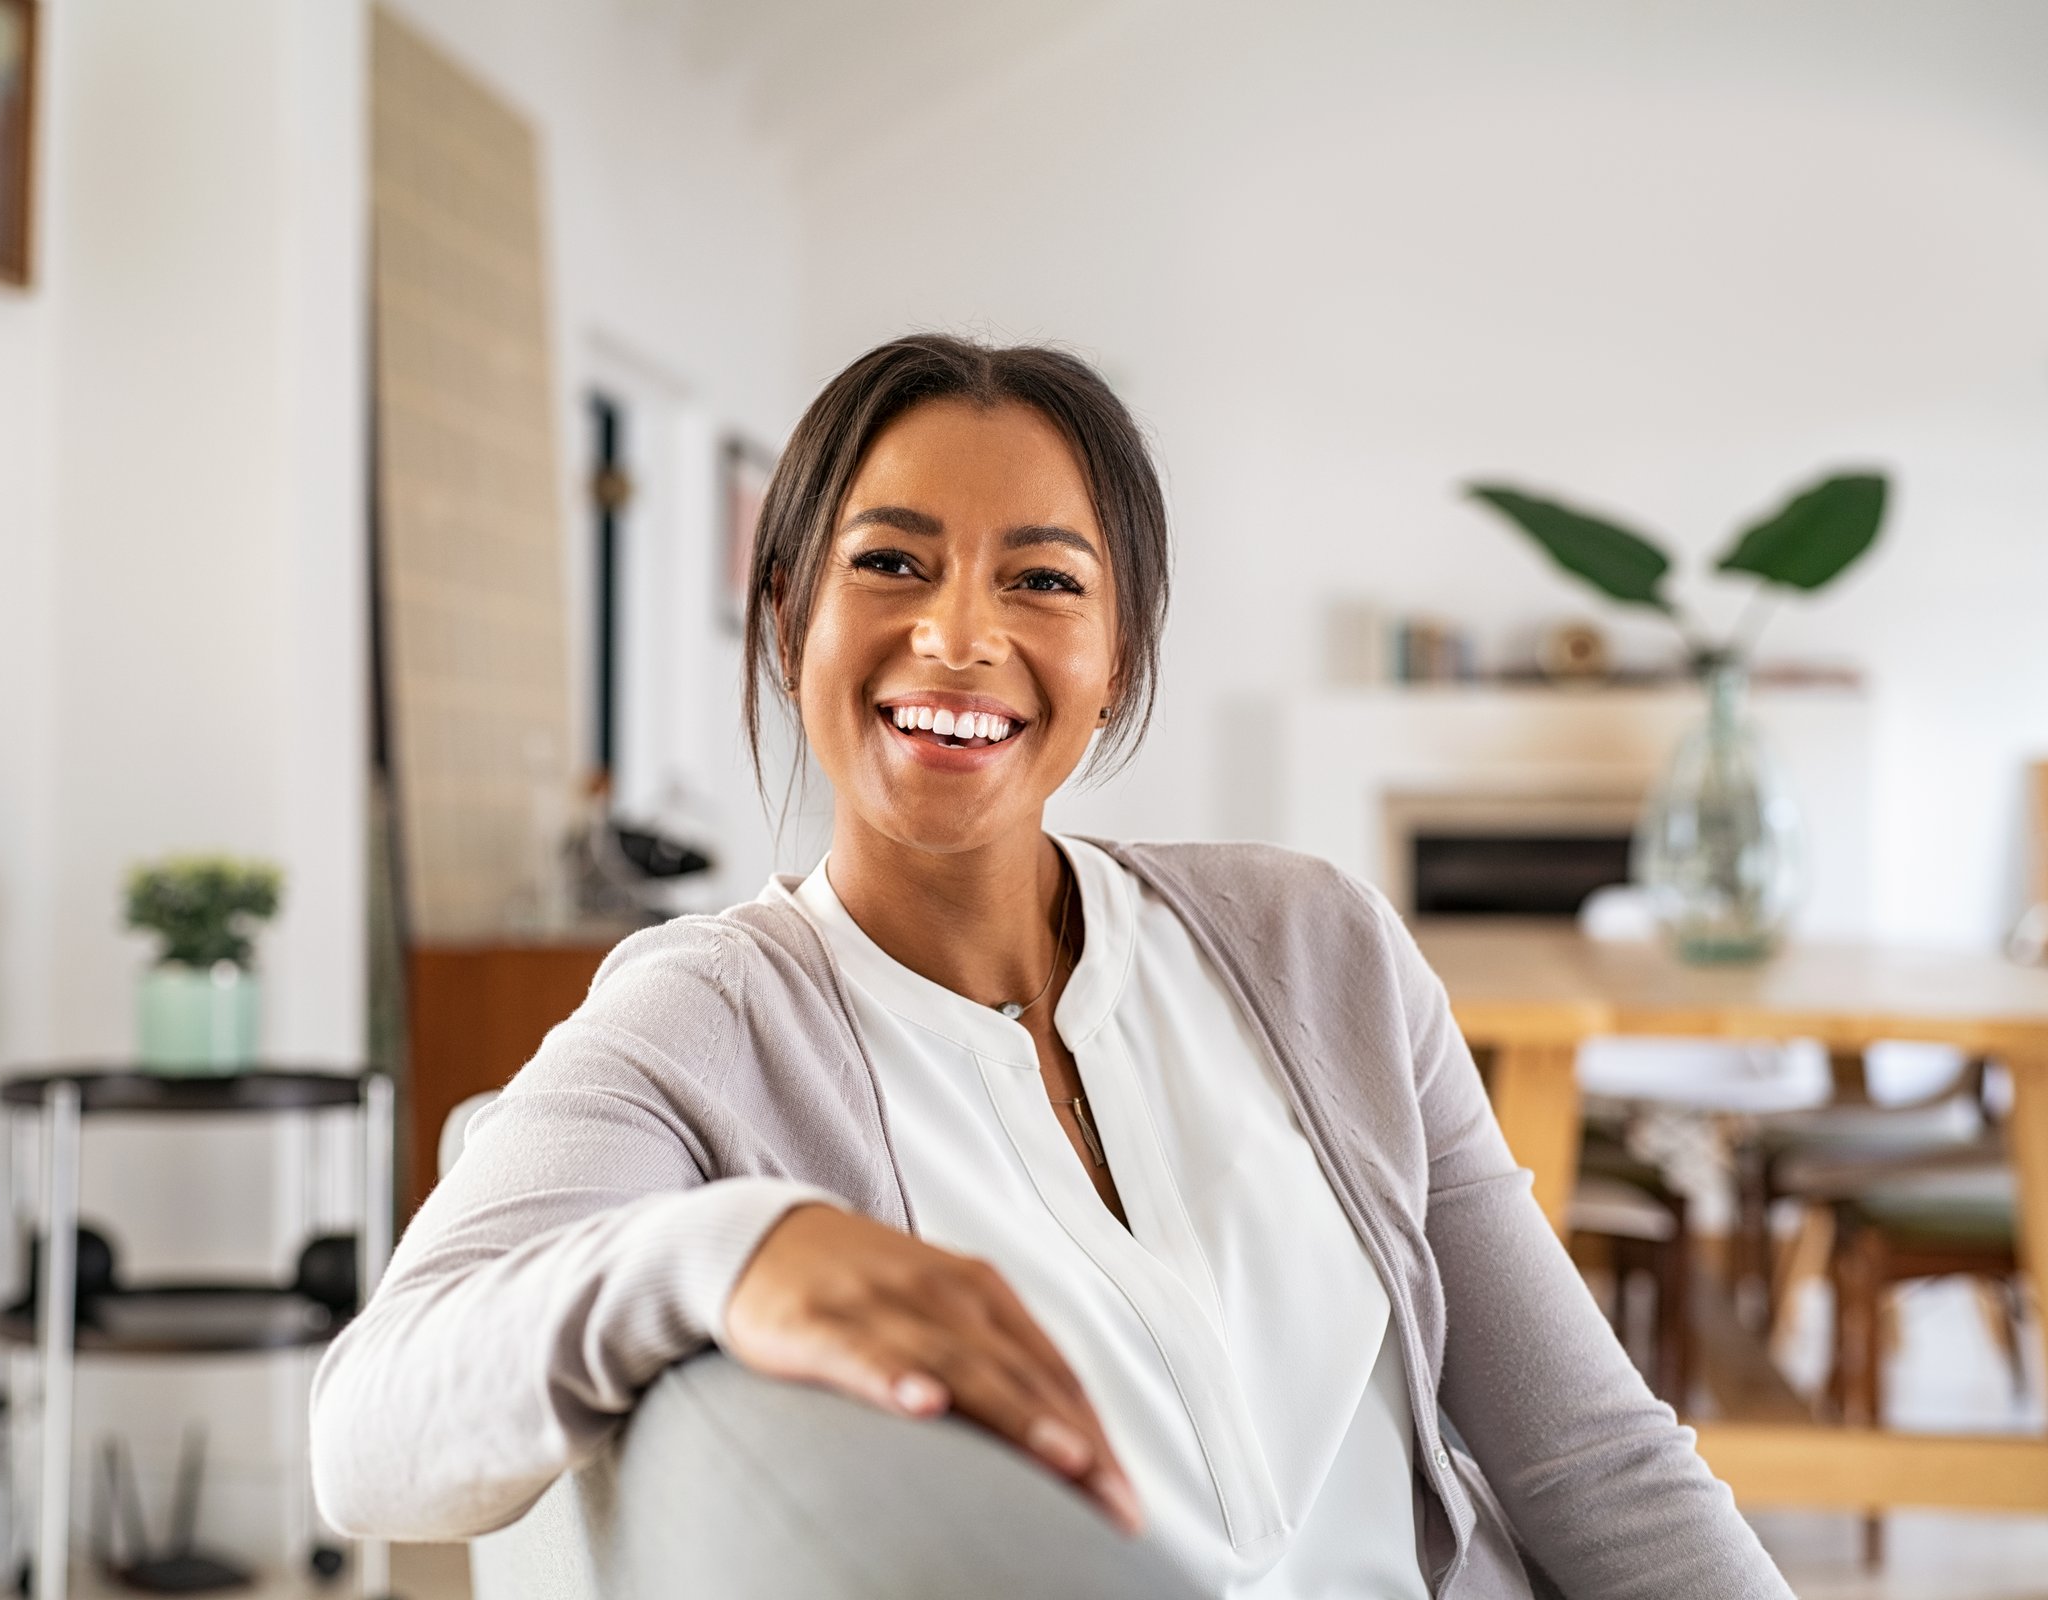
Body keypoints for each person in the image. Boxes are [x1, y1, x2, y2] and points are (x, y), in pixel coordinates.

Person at [310, 335, 1791, 1599]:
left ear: (1120, 655)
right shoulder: (707, 1014)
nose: (959, 636)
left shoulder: (1319, 946)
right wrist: (733, 1250)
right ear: (787, 617)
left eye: (1043, 580)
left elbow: (1590, 1453)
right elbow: (365, 1433)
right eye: (890, 562)